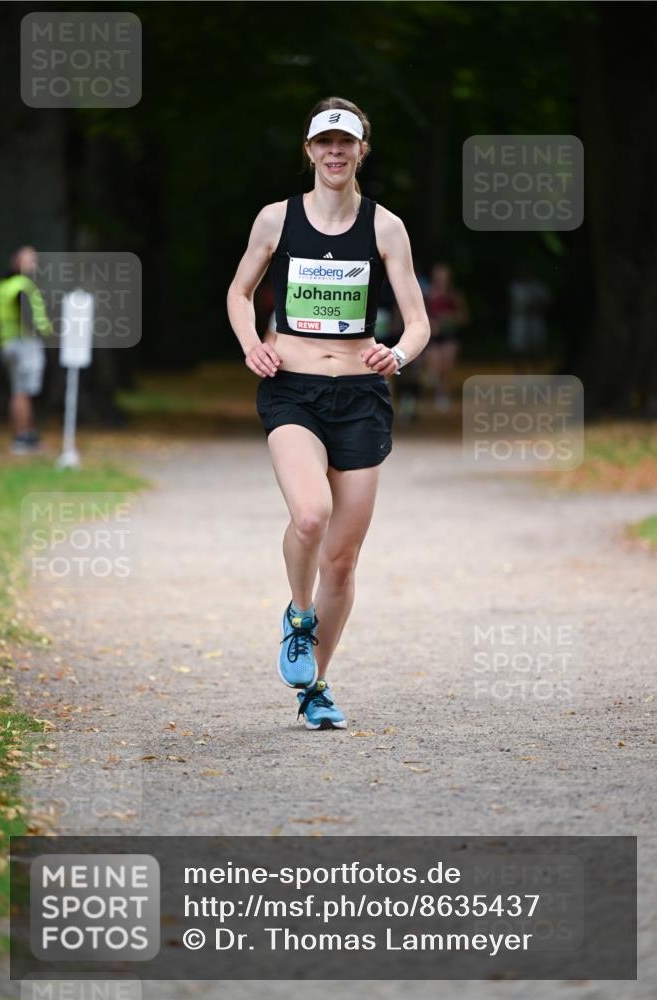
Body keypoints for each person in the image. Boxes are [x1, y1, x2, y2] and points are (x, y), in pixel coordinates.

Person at [227, 97, 429, 730]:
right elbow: (238, 293)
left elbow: (419, 322)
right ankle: (297, 616)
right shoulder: (275, 219)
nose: (335, 152)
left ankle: (316, 686)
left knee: (342, 559)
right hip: (291, 389)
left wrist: (396, 353)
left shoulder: (386, 227)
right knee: (310, 514)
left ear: (361, 151)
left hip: (360, 400)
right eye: (325, 143)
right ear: (310, 151)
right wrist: (251, 345)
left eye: (347, 143)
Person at [0, 246, 53, 454]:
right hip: (24, 344)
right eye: (29, 260)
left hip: (7, 343)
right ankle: (23, 436)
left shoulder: (2, 286)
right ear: (17, 263)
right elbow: (28, 315)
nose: (34, 264)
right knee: (23, 392)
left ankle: (26, 434)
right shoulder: (22, 285)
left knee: (18, 391)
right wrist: (47, 330)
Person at [421, 262, 469, 412]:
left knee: (446, 367)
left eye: (444, 276)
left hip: (450, 335)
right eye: (438, 276)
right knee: (436, 367)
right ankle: (436, 386)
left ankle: (443, 394)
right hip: (434, 336)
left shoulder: (454, 295)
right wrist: (430, 323)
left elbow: (465, 317)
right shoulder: (428, 294)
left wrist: (451, 318)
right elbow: (420, 315)